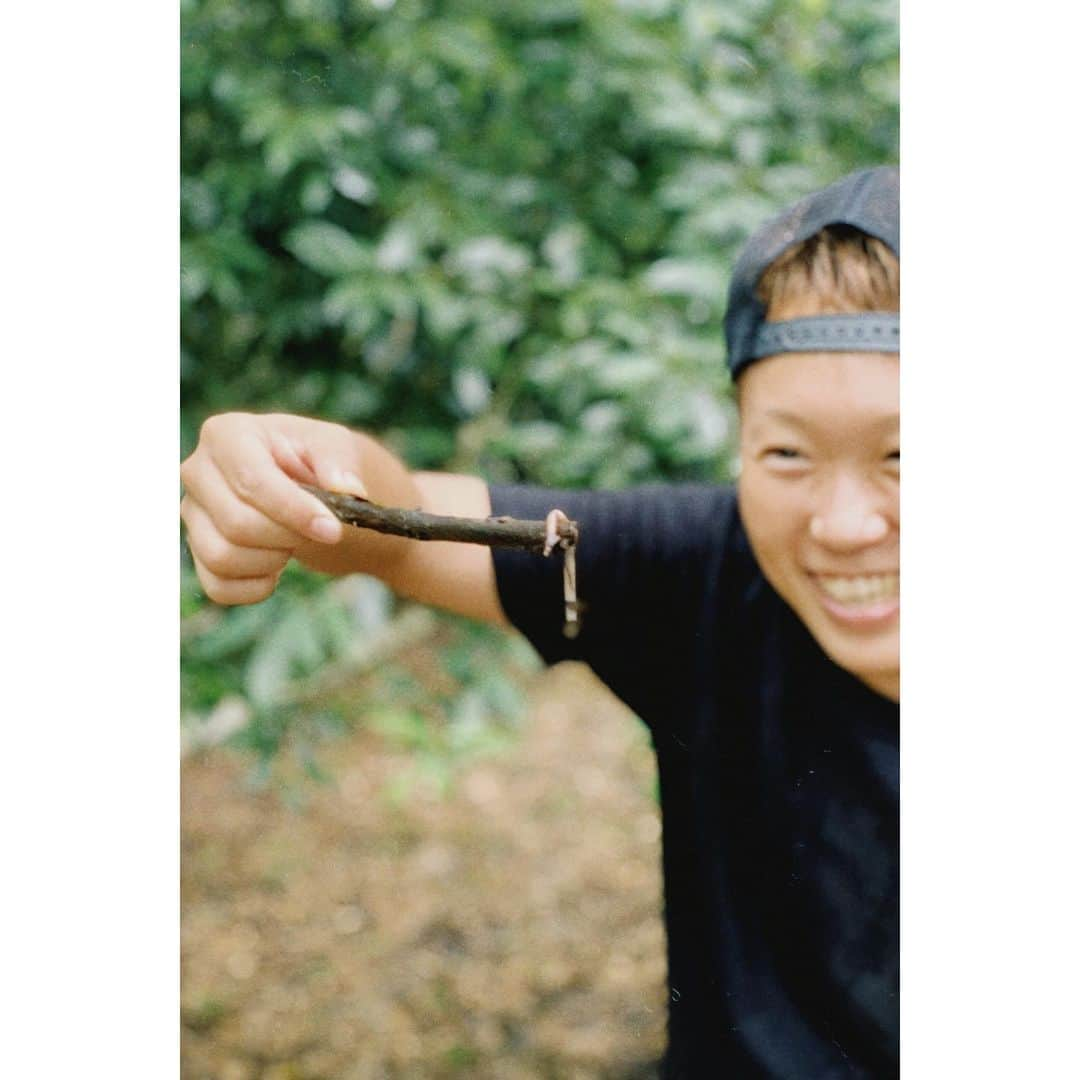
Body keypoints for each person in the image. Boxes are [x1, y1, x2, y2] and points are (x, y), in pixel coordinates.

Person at [180, 166, 900, 1079]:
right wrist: (290, 476)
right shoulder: (710, 568)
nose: (843, 525)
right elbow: (398, 526)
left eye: (906, 454)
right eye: (786, 452)